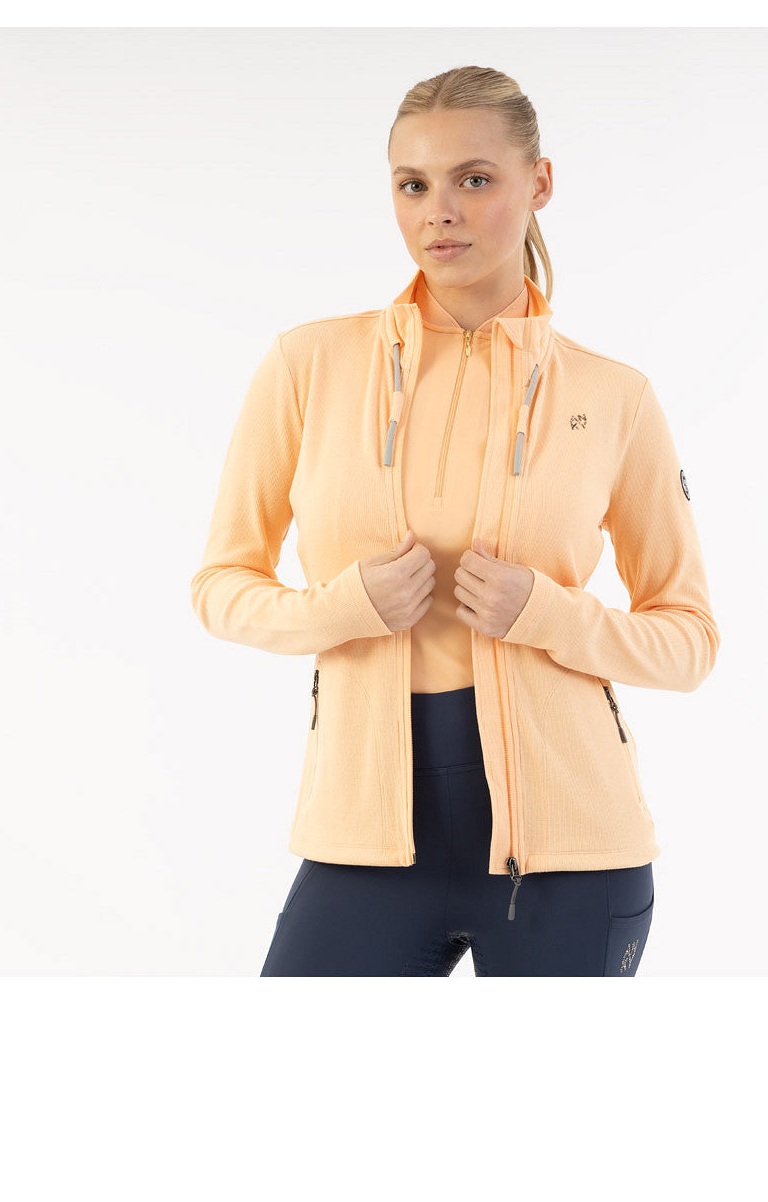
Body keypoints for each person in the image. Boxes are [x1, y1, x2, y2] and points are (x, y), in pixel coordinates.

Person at [190, 64, 720, 975]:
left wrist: (548, 614)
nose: (440, 212)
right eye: (413, 185)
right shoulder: (309, 366)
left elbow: (689, 642)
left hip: (572, 856)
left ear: (538, 183)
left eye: (474, 179)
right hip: (364, 841)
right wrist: (342, 608)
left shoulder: (614, 398)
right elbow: (220, 586)